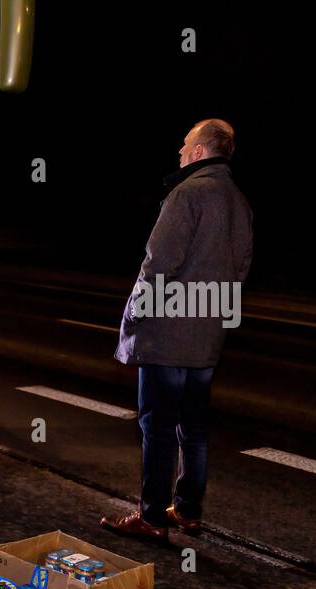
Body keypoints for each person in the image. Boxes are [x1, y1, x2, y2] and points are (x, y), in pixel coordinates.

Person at [102, 119, 253, 542]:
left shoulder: (186, 194)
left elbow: (158, 264)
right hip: (207, 337)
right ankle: (188, 510)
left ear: (202, 151)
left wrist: (134, 314)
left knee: (158, 426)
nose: (180, 153)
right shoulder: (238, 201)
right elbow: (241, 268)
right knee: (195, 428)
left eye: (185, 146)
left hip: (168, 335)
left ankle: (151, 517)